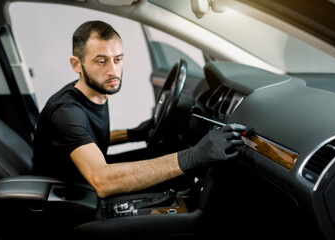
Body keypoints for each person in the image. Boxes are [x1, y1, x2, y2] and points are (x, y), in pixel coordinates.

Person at [32, 20, 246, 198]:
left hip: (80, 179)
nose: (113, 71)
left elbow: (86, 138)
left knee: (164, 152)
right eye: (101, 61)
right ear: (76, 64)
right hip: (70, 198)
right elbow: (102, 180)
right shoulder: (67, 112)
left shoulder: (92, 93)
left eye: (118, 59)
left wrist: (134, 134)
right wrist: (193, 156)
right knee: (184, 171)